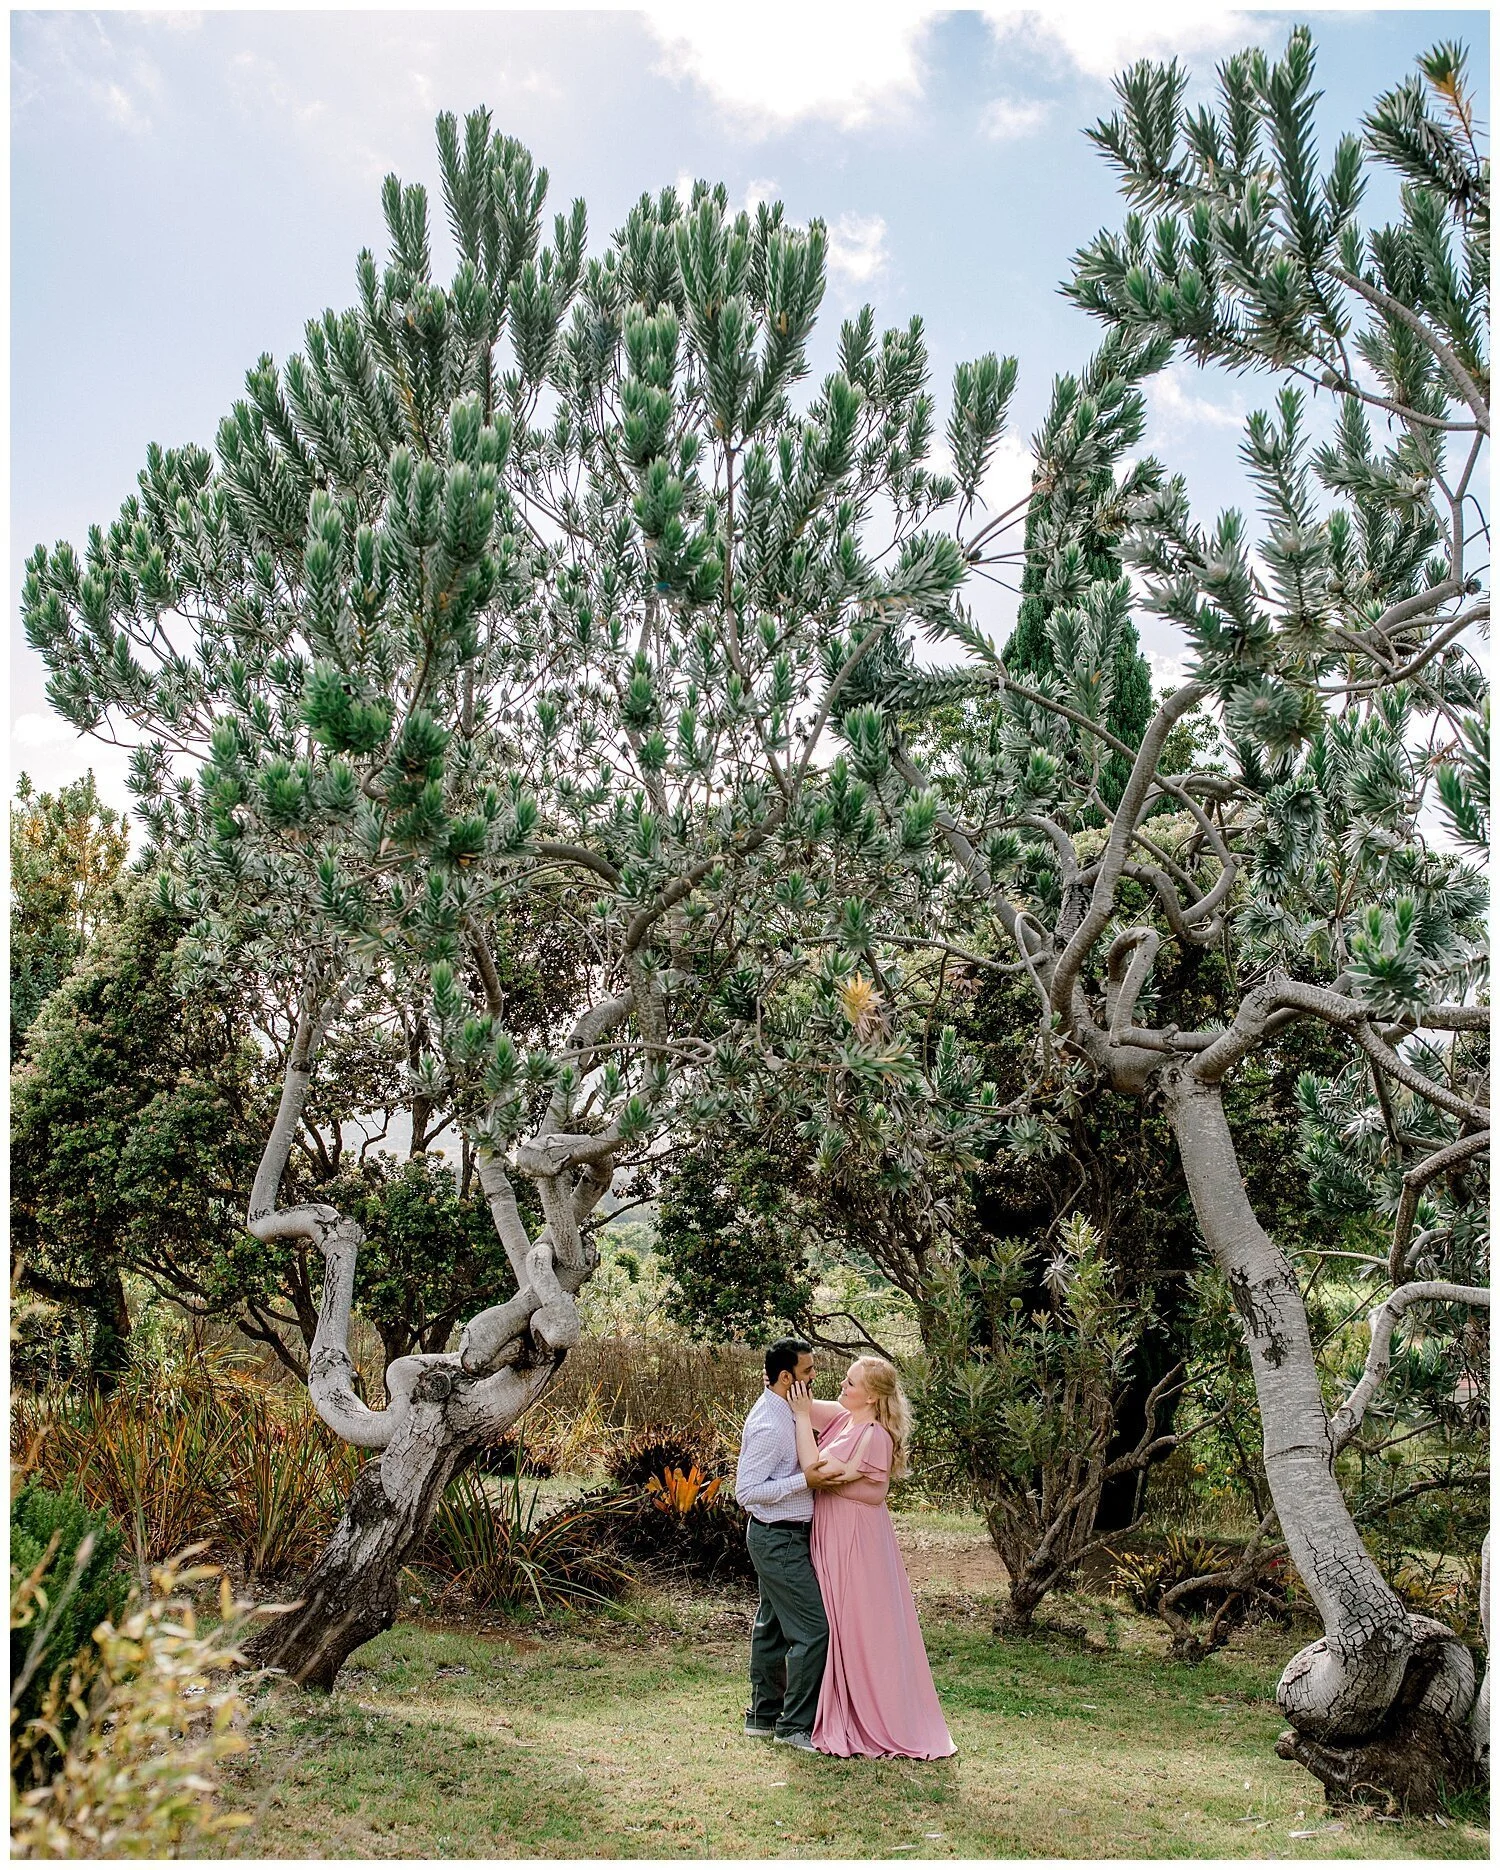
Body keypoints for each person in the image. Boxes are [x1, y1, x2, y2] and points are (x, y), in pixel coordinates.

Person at [788, 1356, 956, 1759]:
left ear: (872, 1396)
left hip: (856, 1547)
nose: (841, 1388)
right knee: (834, 1621)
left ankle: (868, 1715)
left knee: (858, 1626)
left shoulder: (874, 1436)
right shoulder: (846, 1419)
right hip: (833, 1536)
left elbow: (815, 1469)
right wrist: (788, 1381)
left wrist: (798, 1418)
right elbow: (805, 1403)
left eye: (850, 1384)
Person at [733, 1338, 828, 1750]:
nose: (813, 1378)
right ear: (786, 1376)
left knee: (771, 1628)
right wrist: (804, 1481)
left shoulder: (788, 1409)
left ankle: (762, 1717)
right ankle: (793, 1727)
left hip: (782, 1536)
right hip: (779, 1538)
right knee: (813, 1630)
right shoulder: (770, 1425)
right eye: (807, 1372)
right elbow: (746, 1491)